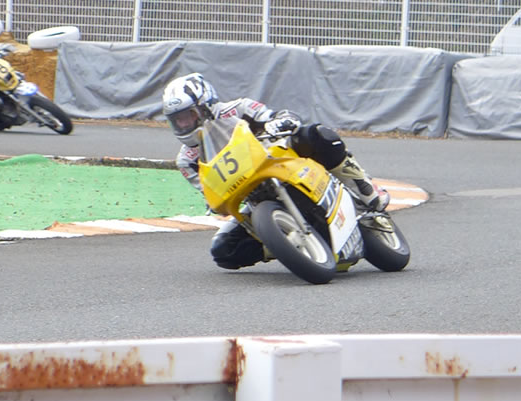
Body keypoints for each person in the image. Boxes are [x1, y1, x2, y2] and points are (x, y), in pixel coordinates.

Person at [161, 72, 390, 269]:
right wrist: (214, 202)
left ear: (205, 104)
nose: (184, 124)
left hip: (280, 162)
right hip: (250, 194)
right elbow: (209, 194)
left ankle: (365, 187)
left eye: (188, 116)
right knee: (223, 250)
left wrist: (280, 122)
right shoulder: (187, 160)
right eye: (177, 120)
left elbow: (283, 117)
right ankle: (289, 246)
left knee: (315, 134)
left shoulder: (239, 108)